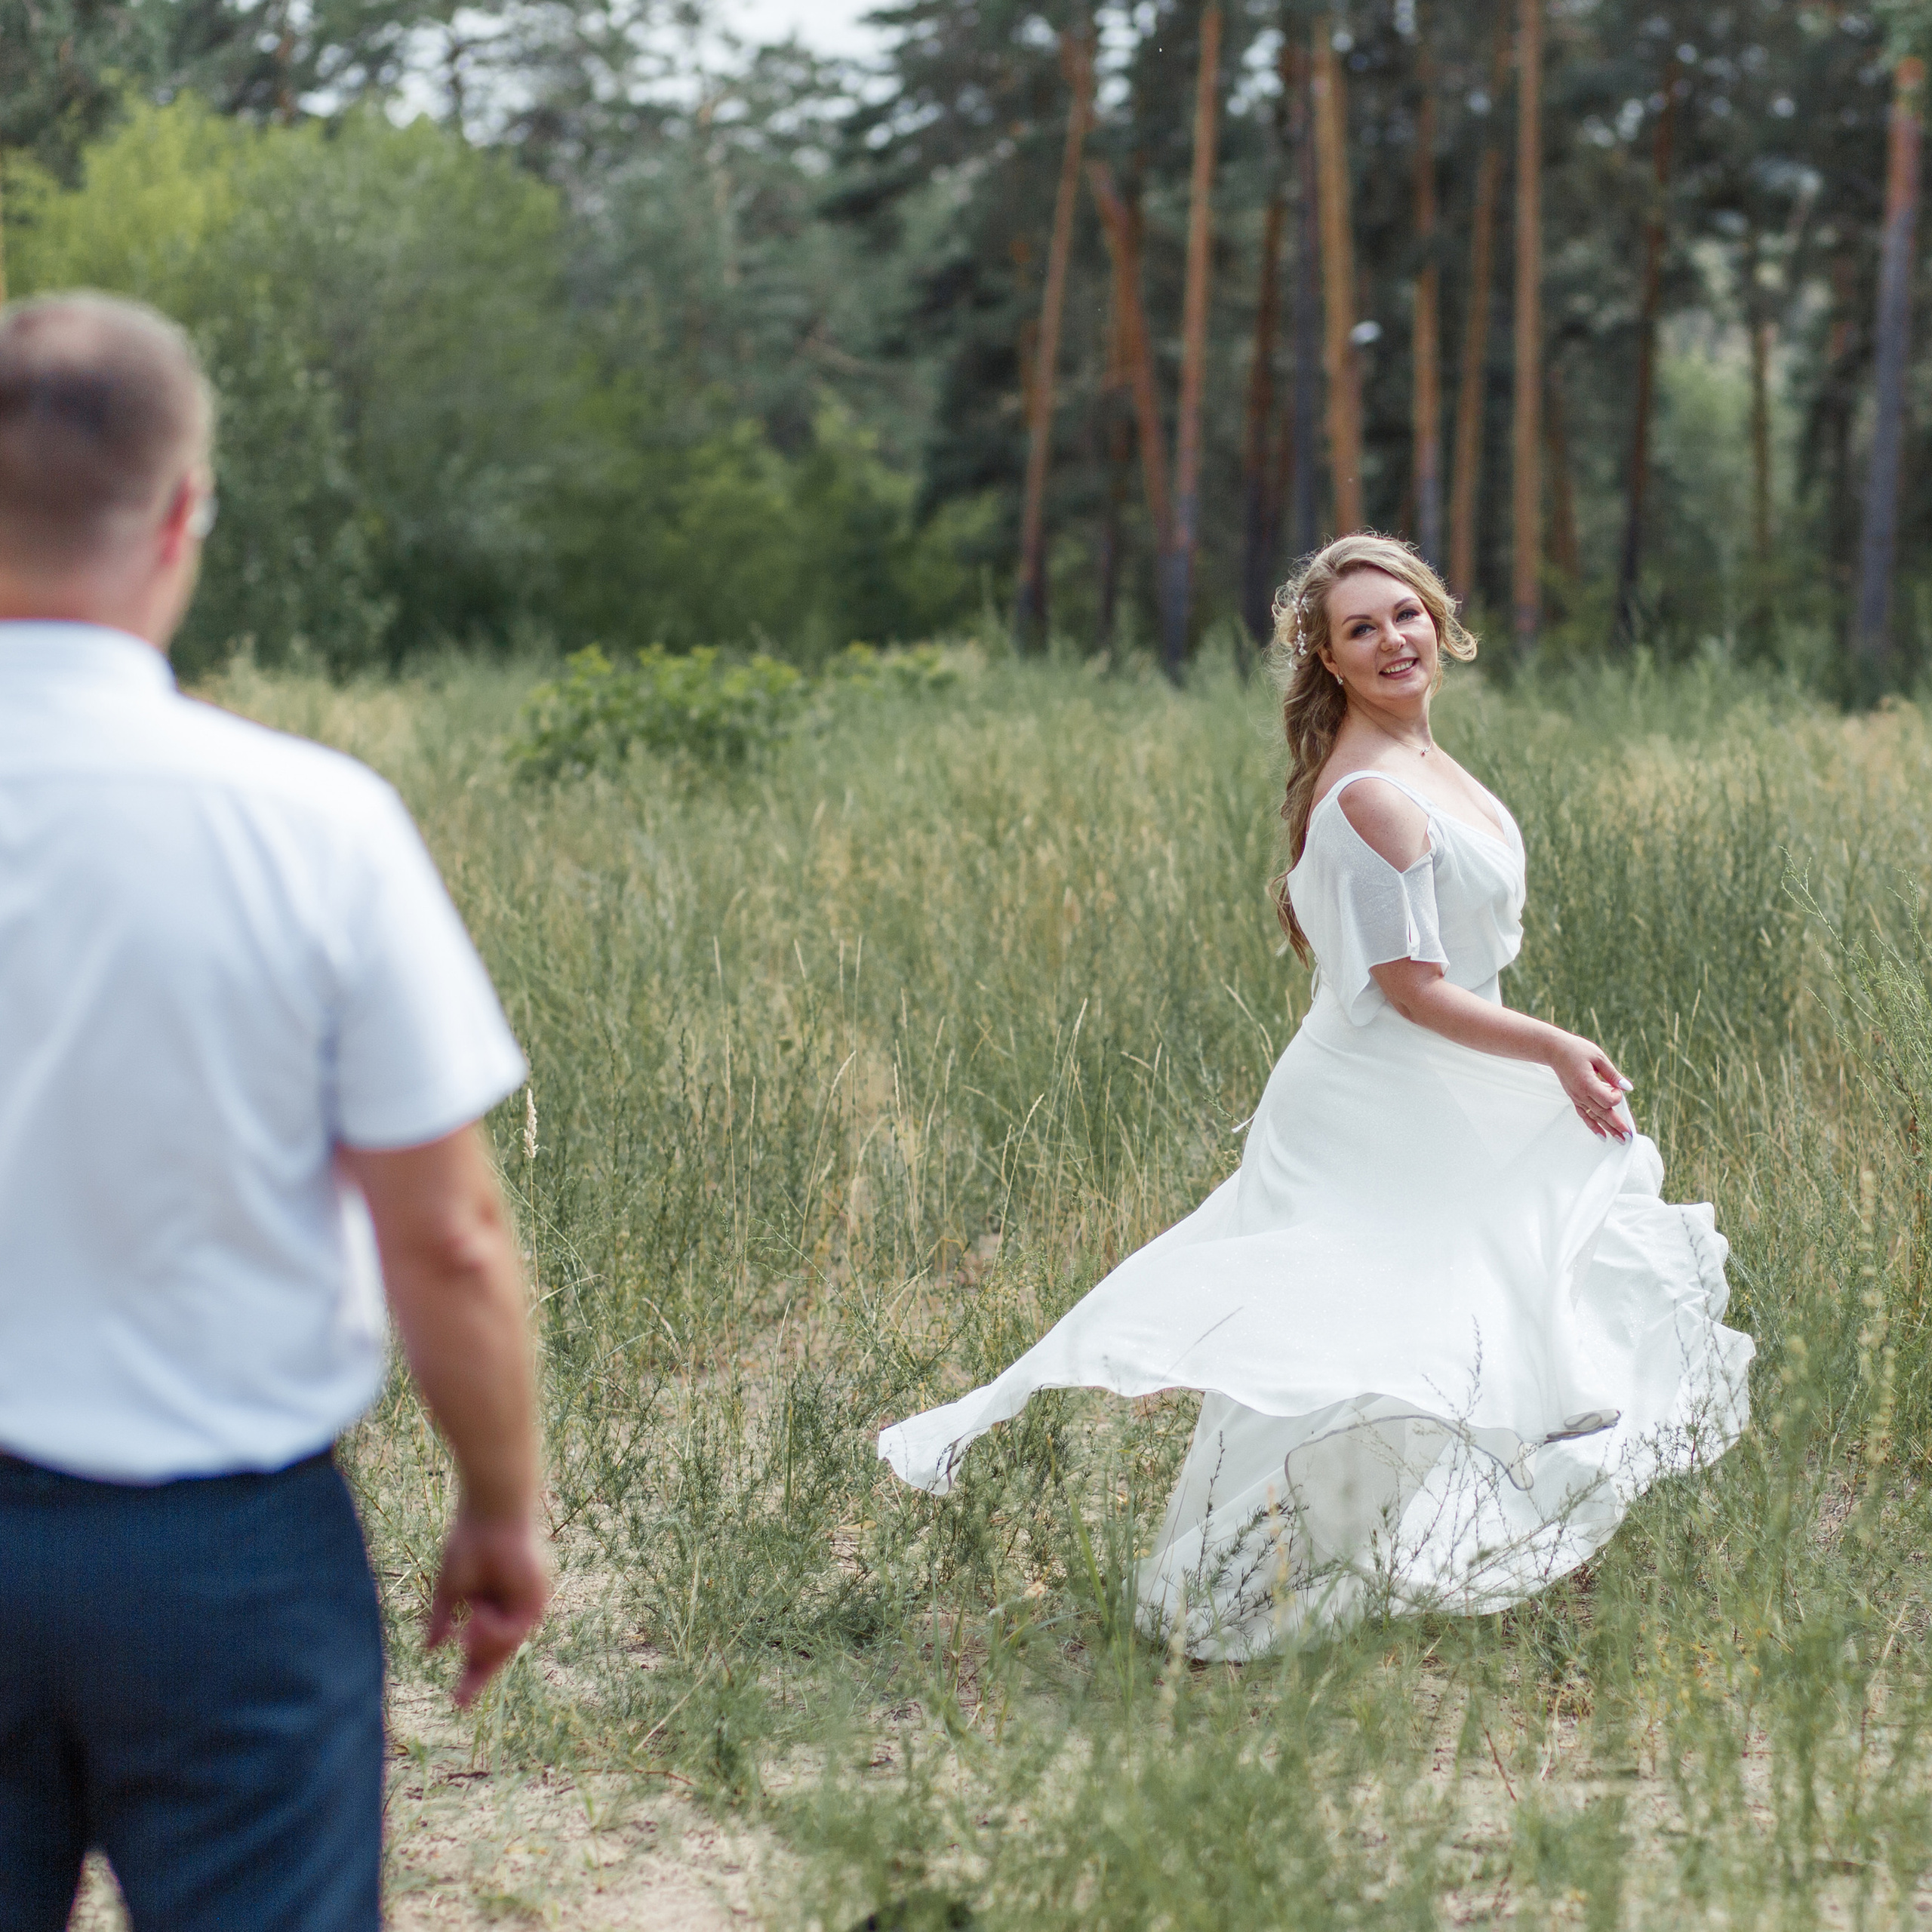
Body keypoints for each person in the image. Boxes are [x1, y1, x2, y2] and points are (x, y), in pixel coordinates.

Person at [879, 532, 1755, 1658]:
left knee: (1454, 1299)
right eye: (1362, 629)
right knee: (1385, 1315)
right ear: (1327, 659)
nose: (1394, 640)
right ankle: (1249, 1576)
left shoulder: (1422, 757)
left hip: (1440, 1080)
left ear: (1440, 620)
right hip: (1387, 1091)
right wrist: (1553, 1045)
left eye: (1407, 615)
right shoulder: (1373, 797)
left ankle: (1397, 1533)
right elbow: (1408, 989)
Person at [0, 293, 548, 1926]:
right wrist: (500, 1504)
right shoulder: (311, 823)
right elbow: (444, 1234)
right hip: (224, 1560)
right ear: (182, 514)